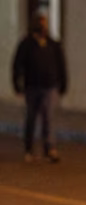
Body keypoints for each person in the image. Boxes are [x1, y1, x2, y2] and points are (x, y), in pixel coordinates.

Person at [12, 11, 67, 163]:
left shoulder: (52, 44)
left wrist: (63, 83)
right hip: (32, 86)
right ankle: (28, 148)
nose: (43, 28)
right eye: (40, 24)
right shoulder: (27, 44)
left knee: (48, 118)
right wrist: (17, 84)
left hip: (50, 86)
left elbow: (61, 64)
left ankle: (50, 148)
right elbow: (17, 65)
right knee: (31, 117)